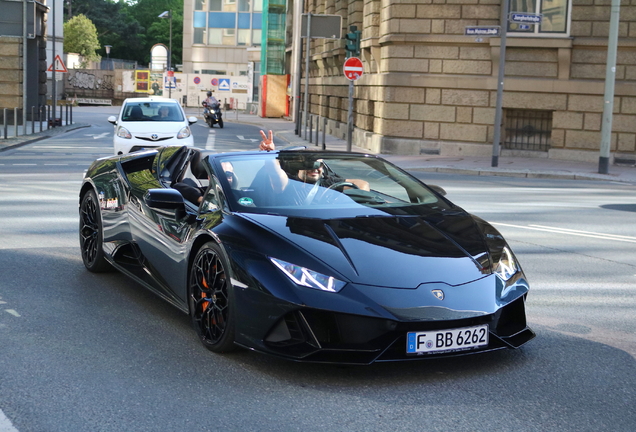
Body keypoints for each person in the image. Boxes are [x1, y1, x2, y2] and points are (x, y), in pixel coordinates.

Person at [258, 129, 370, 191]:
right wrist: (270, 154)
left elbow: (362, 184)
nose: (315, 169)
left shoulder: (328, 183)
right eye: (310, 164)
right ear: (299, 166)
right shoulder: (291, 182)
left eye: (319, 164)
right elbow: (276, 175)